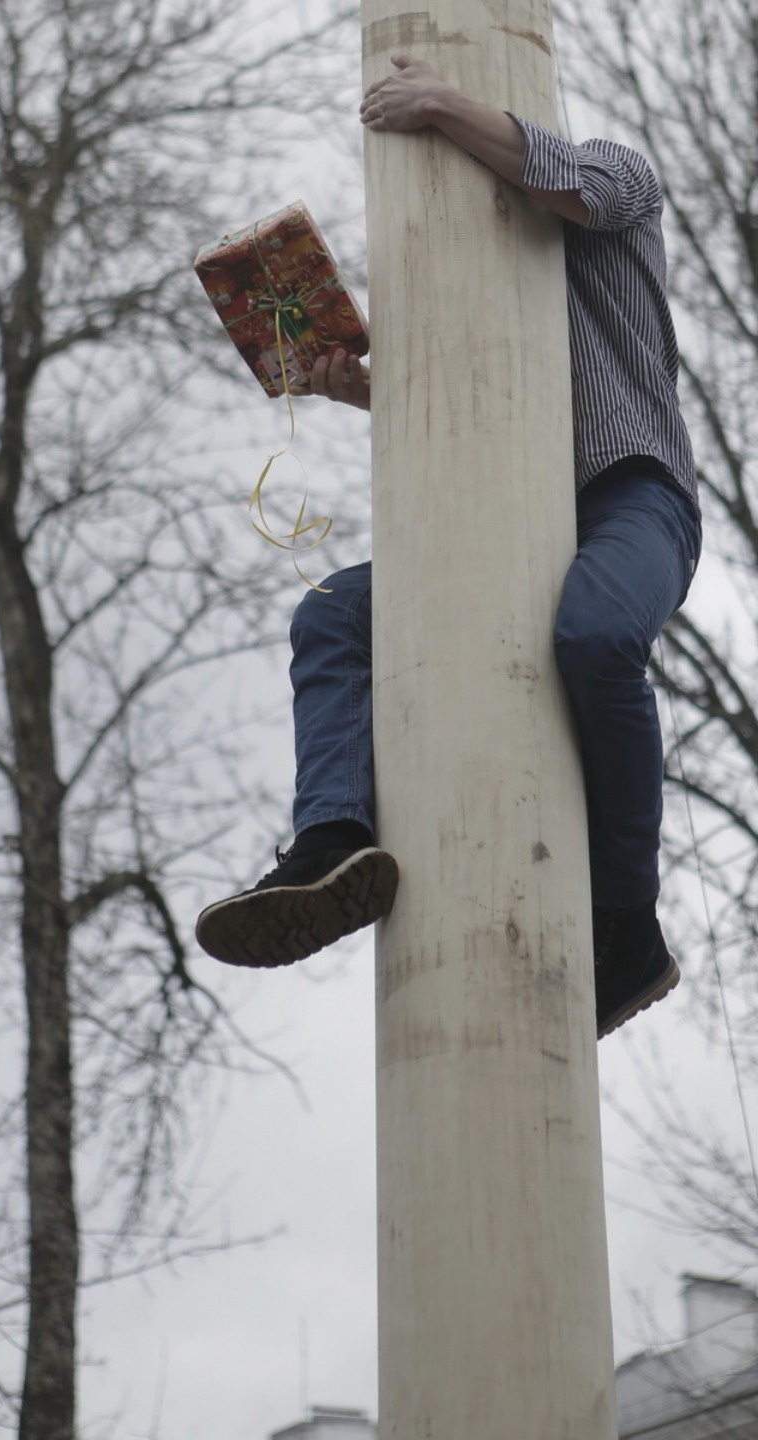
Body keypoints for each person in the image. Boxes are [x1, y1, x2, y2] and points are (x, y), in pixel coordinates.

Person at [196, 55, 702, 1039]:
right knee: (334, 613)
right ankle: (334, 840)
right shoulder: (468, 293)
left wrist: (440, 101)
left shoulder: (618, 174)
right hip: (506, 519)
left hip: (630, 498)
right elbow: (488, 411)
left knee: (597, 636)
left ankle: (627, 921)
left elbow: (575, 188)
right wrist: (362, 389)